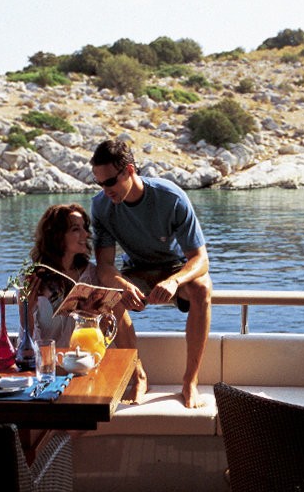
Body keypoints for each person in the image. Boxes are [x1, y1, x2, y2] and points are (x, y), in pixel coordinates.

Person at [89, 139, 212, 409]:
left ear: (129, 171)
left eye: (110, 182)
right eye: (99, 184)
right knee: (110, 293)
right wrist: (121, 284)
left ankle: (190, 381)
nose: (105, 191)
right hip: (136, 269)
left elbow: (200, 259)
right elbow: (105, 266)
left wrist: (175, 281)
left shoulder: (171, 197)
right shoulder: (101, 206)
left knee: (202, 288)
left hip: (175, 268)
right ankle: (138, 375)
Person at [24, 202, 148, 401]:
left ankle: (138, 374)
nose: (86, 234)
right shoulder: (35, 279)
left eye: (85, 228)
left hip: (87, 362)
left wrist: (100, 319)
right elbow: (26, 342)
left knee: (116, 301)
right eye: (76, 229)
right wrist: (26, 309)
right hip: (53, 365)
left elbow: (110, 320)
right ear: (57, 235)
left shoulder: (93, 274)